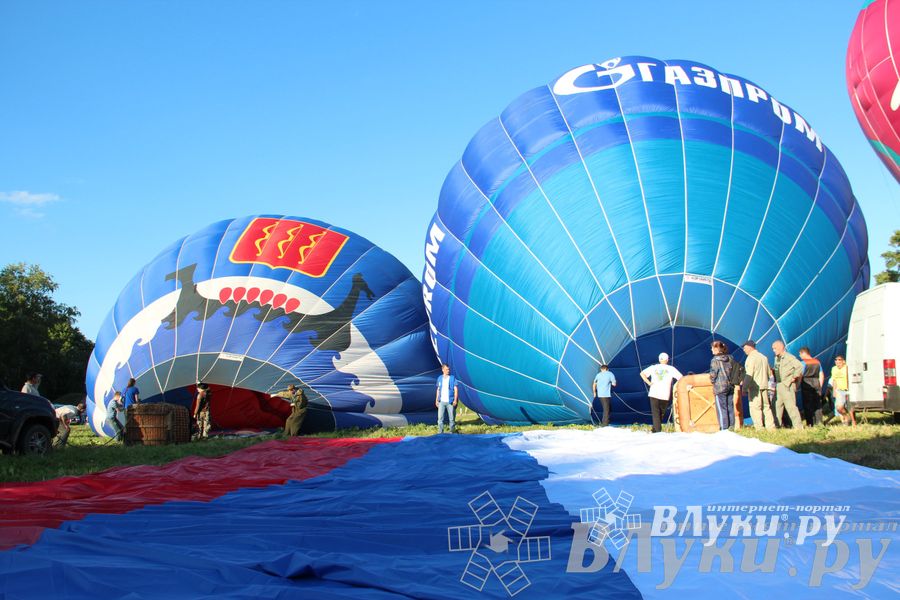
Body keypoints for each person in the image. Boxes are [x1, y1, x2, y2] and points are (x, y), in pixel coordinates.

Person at [640, 353, 682, 433]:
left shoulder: (654, 367)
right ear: (667, 359)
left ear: (659, 359)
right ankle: (657, 431)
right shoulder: (671, 368)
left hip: (654, 392)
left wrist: (648, 383)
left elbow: (642, 373)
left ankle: (656, 429)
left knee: (656, 413)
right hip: (665, 394)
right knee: (661, 413)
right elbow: (681, 378)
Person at [742, 341, 776, 430]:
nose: (744, 350)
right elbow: (769, 373)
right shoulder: (764, 357)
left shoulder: (751, 358)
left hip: (754, 387)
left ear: (750, 347)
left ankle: (759, 428)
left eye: (745, 348)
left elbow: (749, 374)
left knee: (755, 408)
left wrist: (744, 388)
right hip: (764, 386)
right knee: (766, 407)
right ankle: (771, 427)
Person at [772, 340, 804, 429]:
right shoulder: (776, 358)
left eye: (775, 348)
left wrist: (793, 377)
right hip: (778, 385)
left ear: (781, 347)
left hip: (787, 385)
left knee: (791, 407)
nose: (773, 350)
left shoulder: (789, 357)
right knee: (776, 406)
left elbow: (799, 367)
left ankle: (798, 427)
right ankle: (777, 425)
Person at [709, 341, 739, 430]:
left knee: (722, 409)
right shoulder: (730, 358)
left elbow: (713, 374)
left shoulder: (715, 360)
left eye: (712, 348)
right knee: (730, 407)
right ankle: (731, 427)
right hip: (730, 386)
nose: (711, 350)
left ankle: (724, 428)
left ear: (716, 349)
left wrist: (712, 380)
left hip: (720, 387)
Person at [798, 347, 825, 426]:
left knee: (808, 405)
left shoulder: (803, 363)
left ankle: (810, 423)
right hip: (816, 383)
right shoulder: (817, 362)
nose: (800, 356)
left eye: (800, 354)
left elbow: (800, 376)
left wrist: (797, 385)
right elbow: (821, 375)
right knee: (817, 404)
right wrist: (820, 386)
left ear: (804, 353)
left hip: (807, 383)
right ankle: (819, 423)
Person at [829, 355, 856, 426]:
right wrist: (834, 391)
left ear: (843, 361)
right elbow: (834, 380)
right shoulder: (834, 369)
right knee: (839, 408)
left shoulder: (846, 368)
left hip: (847, 389)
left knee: (850, 406)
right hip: (839, 390)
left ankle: (853, 421)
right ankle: (846, 417)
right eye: (836, 360)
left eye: (839, 360)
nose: (837, 361)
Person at [435, 363, 458, 434]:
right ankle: (440, 433)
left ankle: (452, 432)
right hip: (441, 401)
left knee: (451, 419)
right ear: (443, 370)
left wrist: (455, 400)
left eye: (448, 369)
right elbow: (438, 390)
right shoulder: (439, 378)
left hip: (450, 401)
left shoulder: (452, 378)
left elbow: (456, 389)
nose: (448, 370)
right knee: (440, 419)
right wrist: (436, 400)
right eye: (446, 369)